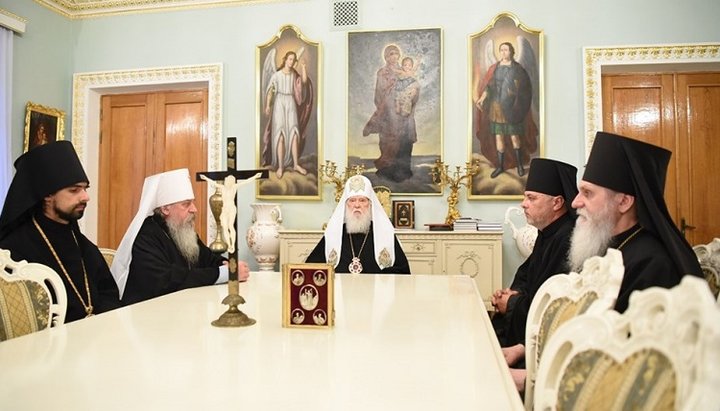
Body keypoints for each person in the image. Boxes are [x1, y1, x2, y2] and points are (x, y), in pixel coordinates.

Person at [568, 131, 703, 313]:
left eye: (587, 193)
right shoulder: (603, 243)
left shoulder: (653, 264)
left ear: (624, 202)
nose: (575, 202)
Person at [0, 141, 120, 322]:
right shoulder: (14, 249)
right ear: (47, 195)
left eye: (85, 188)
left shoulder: (80, 242)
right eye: (74, 190)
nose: (85, 197)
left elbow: (108, 292)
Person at [111, 168, 250, 305]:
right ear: (165, 209)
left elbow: (208, 258)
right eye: (186, 204)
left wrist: (227, 265)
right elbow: (168, 280)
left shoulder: (180, 230)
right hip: (147, 312)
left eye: (192, 203)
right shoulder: (145, 236)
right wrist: (222, 273)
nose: (194, 209)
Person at [491, 158, 578, 349]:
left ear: (557, 202)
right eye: (525, 197)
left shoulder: (569, 239)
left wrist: (511, 303)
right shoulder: (546, 232)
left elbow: (554, 305)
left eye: (531, 198)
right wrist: (511, 295)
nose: (523, 204)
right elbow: (526, 277)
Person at [305, 175, 411, 274]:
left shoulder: (384, 233)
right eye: (352, 200)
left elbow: (403, 271)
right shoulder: (334, 233)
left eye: (362, 200)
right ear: (346, 205)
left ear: (370, 205)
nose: (357, 205)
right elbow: (311, 267)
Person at [474, 41, 537, 178]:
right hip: (496, 107)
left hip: (512, 107)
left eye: (506, 50)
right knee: (499, 137)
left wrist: (514, 95)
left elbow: (524, 89)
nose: (503, 52)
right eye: (501, 50)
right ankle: (500, 167)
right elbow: (489, 86)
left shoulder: (517, 69)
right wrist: (482, 98)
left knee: (514, 137)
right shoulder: (495, 68)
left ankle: (519, 166)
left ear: (511, 52)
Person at [363, 44, 419, 183]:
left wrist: (411, 96)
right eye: (390, 54)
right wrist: (388, 106)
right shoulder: (382, 72)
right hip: (388, 114)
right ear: (386, 57)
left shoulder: (404, 70)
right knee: (388, 140)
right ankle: (387, 171)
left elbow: (414, 87)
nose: (394, 57)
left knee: (405, 139)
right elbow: (378, 94)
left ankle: (403, 171)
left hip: (404, 114)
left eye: (396, 54)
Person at [261, 50, 314, 179]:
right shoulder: (276, 75)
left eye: (293, 60)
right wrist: (267, 105)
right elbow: (270, 91)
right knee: (280, 135)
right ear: (285, 60)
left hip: (291, 103)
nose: (291, 62)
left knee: (294, 133)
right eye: (289, 59)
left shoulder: (294, 76)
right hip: (279, 103)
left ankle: (296, 164)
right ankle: (280, 166)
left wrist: (303, 67)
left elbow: (304, 82)